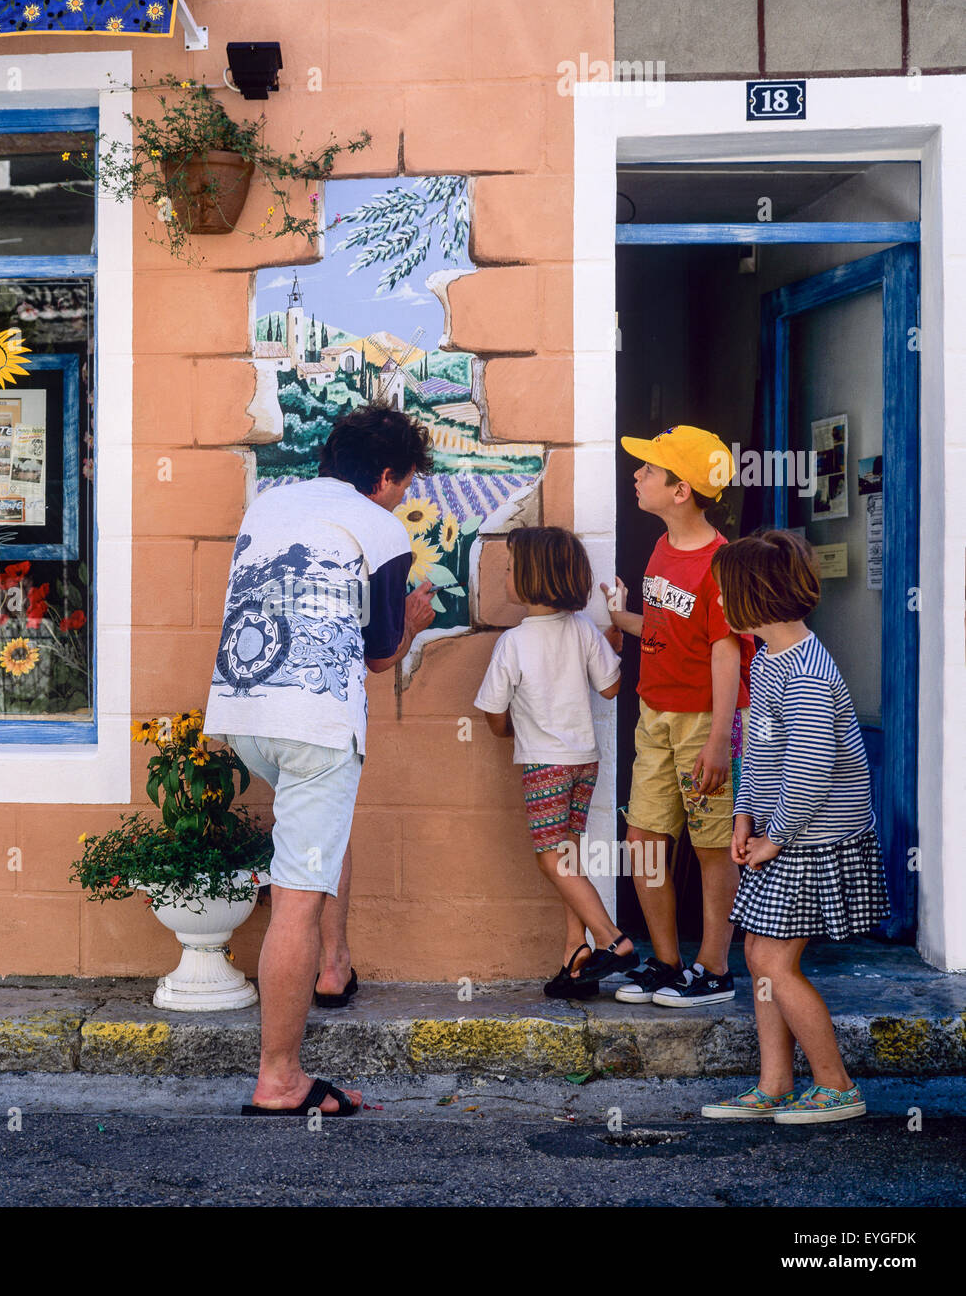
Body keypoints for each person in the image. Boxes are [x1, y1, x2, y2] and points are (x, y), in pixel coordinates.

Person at [205, 405, 436, 1118]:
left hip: (241, 712)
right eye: (405, 484)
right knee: (295, 897)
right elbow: (378, 656)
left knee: (315, 842)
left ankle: (333, 966)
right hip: (316, 722)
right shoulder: (381, 526)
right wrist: (418, 621)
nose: (405, 497)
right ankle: (279, 1077)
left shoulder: (269, 503)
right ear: (388, 475)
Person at [701, 531, 888, 1123]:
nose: (720, 601)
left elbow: (809, 770)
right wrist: (743, 817)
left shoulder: (805, 670)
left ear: (753, 597)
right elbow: (758, 754)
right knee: (758, 954)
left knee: (775, 964)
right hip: (781, 836)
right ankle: (776, 1083)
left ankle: (836, 1086)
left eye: (725, 591)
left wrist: (775, 834)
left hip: (812, 841)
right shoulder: (771, 658)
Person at [602, 425, 754, 1006]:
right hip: (655, 714)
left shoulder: (723, 565)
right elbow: (666, 629)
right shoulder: (662, 548)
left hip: (705, 722)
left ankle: (713, 968)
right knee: (642, 836)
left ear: (681, 489)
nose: (636, 477)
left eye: (649, 470)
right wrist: (621, 620)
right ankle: (666, 963)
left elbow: (726, 654)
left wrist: (719, 741)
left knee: (713, 844)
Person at [474, 527, 634, 998]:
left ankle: (612, 938)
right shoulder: (583, 628)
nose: (504, 575)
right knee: (570, 853)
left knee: (551, 860)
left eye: (508, 569)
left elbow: (493, 713)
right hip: (585, 761)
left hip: (544, 765)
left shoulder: (514, 643)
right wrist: (610, 643)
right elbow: (610, 687)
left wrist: (509, 733)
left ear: (529, 578)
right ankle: (575, 951)